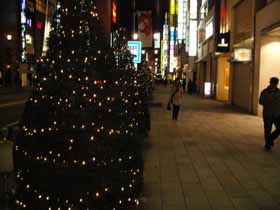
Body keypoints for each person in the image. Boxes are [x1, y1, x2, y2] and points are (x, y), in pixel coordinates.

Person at [259, 77, 280, 151]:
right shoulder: (264, 92)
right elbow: (260, 102)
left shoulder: (279, 92)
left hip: (277, 115)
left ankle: (270, 138)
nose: (274, 85)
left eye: (275, 83)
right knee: (267, 130)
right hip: (267, 114)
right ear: (270, 83)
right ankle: (268, 145)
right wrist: (268, 100)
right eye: (272, 83)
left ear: (277, 84)